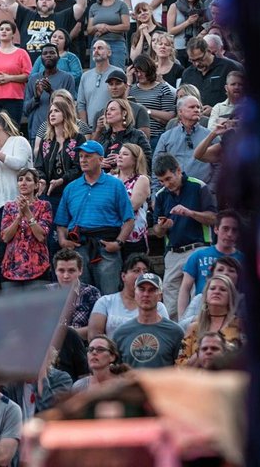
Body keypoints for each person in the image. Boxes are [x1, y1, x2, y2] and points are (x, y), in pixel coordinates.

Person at [54, 141, 135, 293]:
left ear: (100, 159)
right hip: (78, 247)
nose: (83, 160)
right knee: (79, 300)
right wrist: (63, 240)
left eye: (88, 156)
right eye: (81, 156)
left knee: (109, 296)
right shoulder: (71, 188)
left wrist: (118, 243)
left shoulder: (115, 185)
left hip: (106, 247)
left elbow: (129, 219)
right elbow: (61, 222)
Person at [150, 153, 217, 311]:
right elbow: (157, 231)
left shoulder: (198, 186)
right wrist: (163, 226)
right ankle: (176, 335)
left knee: (198, 301)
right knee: (171, 303)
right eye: (161, 181)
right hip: (173, 252)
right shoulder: (160, 195)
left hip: (199, 248)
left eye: (168, 178)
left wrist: (191, 213)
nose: (166, 184)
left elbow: (213, 218)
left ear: (178, 170)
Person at [111, 272, 184, 369]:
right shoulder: (120, 333)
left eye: (152, 290)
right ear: (135, 293)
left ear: (160, 296)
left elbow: (182, 369)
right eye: (141, 289)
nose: (146, 294)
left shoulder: (175, 332)